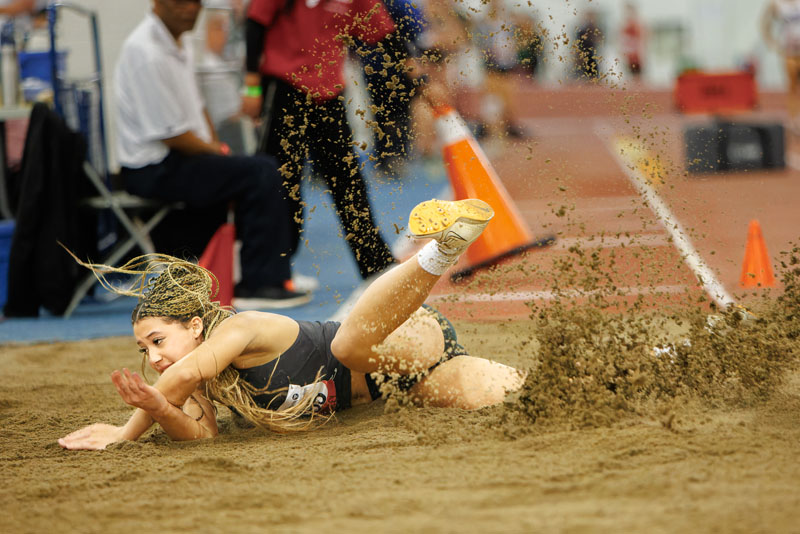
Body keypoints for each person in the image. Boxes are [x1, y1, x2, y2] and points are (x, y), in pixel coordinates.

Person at [58, 198, 526, 449]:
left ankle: (443, 247)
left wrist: (125, 432)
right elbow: (201, 435)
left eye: (157, 340)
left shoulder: (239, 332)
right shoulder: (202, 383)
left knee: (346, 347)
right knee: (525, 395)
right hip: (403, 387)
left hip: (398, 339)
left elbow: (182, 373)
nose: (153, 357)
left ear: (196, 326)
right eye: (144, 350)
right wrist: (161, 410)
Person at [114, 0, 309, 309]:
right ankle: (261, 283)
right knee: (261, 172)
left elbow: (198, 109)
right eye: (180, 3)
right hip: (152, 169)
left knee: (258, 169)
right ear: (156, 3)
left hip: (179, 159)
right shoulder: (145, 53)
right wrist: (218, 154)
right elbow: (172, 135)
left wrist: (219, 151)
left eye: (195, 3)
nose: (189, 9)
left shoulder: (180, 43)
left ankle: (274, 274)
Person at [242, 0, 397, 280]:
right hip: (285, 89)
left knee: (348, 181)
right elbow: (255, 24)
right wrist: (251, 85)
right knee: (282, 183)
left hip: (328, 95)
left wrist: (418, 71)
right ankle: (273, 272)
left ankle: (377, 267)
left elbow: (383, 33)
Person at [762, 0, 800, 133]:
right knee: (793, 85)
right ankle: (794, 119)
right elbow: (765, 24)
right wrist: (772, 43)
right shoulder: (776, 4)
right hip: (790, 51)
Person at [619, 2, 645, 81]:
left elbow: (640, 38)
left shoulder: (636, 24)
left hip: (635, 53)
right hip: (628, 53)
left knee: (636, 74)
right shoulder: (625, 24)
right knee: (630, 74)